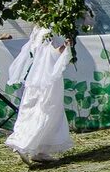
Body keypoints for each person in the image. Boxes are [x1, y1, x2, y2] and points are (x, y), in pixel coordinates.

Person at [5, 26, 73, 164]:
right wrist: (65, 46)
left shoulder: (37, 30)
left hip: (37, 78)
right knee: (46, 111)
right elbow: (50, 53)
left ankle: (40, 150)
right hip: (48, 79)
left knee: (35, 110)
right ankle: (25, 144)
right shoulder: (47, 32)